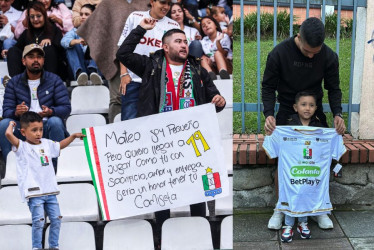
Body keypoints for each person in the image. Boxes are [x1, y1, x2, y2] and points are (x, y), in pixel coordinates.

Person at [116, 18, 226, 246]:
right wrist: (140, 29)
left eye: (185, 41)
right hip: (160, 141)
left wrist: (219, 100)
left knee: (197, 191)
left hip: (192, 140)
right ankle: (161, 238)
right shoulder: (150, 65)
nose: (184, 45)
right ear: (165, 47)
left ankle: (199, 235)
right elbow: (123, 54)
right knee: (162, 192)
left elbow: (214, 99)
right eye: (178, 41)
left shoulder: (197, 68)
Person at [262, 17, 346, 230]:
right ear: (298, 37)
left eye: (315, 53)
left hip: (314, 112)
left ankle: (320, 209)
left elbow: (334, 88)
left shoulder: (328, 56)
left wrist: (338, 113)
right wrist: (269, 114)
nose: (311, 56)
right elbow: (268, 87)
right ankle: (281, 208)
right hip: (287, 113)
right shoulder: (279, 53)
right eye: (308, 51)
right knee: (284, 164)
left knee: (319, 162)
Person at [263, 91, 346, 243]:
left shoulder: (322, 128)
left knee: (308, 187)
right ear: (295, 107)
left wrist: (337, 133)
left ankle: (312, 216)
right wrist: (270, 134)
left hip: (311, 171)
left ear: (316, 108)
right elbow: (271, 149)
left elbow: (336, 147)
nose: (307, 108)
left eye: (311, 105)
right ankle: (284, 215)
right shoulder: (286, 127)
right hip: (294, 173)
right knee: (292, 188)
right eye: (303, 104)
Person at [5, 111, 84, 250]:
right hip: (34, 192)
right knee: (39, 221)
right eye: (34, 130)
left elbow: (60, 145)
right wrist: (11, 124)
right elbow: (8, 135)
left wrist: (72, 137)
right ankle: (36, 247)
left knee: (56, 219)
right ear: (23, 132)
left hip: (50, 190)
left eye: (40, 129)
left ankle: (54, 246)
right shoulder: (22, 147)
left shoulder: (47, 143)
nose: (38, 133)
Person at [0, 44, 70, 177]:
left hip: (45, 126)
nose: (35, 60)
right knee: (4, 124)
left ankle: (54, 170)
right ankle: (12, 170)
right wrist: (16, 112)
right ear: (23, 61)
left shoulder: (54, 80)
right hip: (24, 129)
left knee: (55, 122)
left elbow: (66, 108)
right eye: (31, 57)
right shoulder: (14, 82)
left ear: (44, 60)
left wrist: (51, 112)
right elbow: (6, 112)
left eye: (39, 57)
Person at [76, 0, 148, 123]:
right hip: (115, 57)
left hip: (144, 57)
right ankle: (115, 134)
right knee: (117, 98)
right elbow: (95, 26)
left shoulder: (147, 3)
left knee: (148, 98)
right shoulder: (109, 3)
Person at [117, 0, 179, 121]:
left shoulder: (174, 25)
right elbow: (122, 47)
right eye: (162, 2)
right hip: (134, 80)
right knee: (129, 124)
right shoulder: (135, 17)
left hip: (160, 82)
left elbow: (174, 56)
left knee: (157, 125)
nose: (166, 7)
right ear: (152, 2)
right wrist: (124, 74)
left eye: (168, 4)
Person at [3, 1, 66, 77]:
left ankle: (49, 82)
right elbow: (17, 48)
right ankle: (17, 82)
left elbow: (62, 51)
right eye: (32, 17)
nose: (35, 19)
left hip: (51, 71)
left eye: (38, 16)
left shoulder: (54, 29)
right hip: (30, 70)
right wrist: (8, 51)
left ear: (44, 16)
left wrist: (50, 42)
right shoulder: (26, 32)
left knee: (48, 47)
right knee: (12, 51)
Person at [61, 4, 102, 85]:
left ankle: (94, 71)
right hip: (81, 69)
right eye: (81, 14)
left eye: (86, 14)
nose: (82, 17)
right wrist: (77, 41)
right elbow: (63, 41)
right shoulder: (75, 31)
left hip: (98, 69)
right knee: (70, 45)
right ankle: (79, 74)